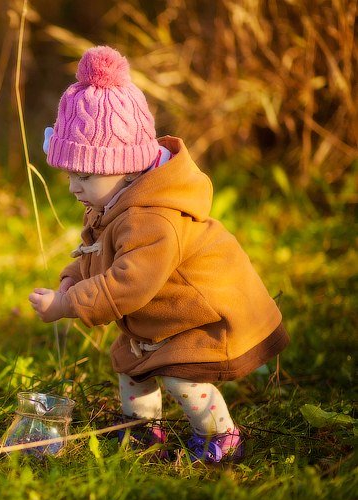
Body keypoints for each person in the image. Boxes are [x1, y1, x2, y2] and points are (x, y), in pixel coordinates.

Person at [28, 45, 289, 462]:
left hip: (199, 317)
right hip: (161, 317)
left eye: (83, 176)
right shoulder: (111, 204)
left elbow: (128, 282)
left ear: (127, 168)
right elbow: (95, 255)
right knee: (131, 367)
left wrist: (66, 304)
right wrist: (70, 279)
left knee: (179, 378)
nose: (74, 187)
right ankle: (142, 429)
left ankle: (221, 437)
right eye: (69, 176)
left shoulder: (153, 219)